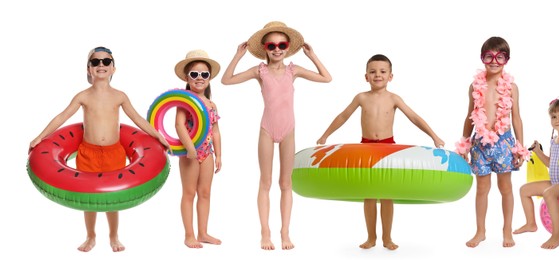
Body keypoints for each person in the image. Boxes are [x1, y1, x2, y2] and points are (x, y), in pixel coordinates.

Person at [29, 46, 169, 252]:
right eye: (95, 62)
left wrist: (159, 136)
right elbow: (62, 116)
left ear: (113, 69)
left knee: (112, 198)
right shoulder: (83, 96)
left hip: (114, 151)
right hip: (88, 152)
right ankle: (91, 236)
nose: (101, 65)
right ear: (89, 69)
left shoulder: (120, 96)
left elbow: (138, 118)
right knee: (89, 197)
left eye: (106, 62)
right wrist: (40, 136)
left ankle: (113, 236)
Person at [221, 21, 332, 250]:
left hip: (289, 130)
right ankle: (265, 232)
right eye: (271, 45)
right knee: (266, 181)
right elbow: (226, 80)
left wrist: (312, 56)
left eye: (282, 44)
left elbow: (327, 78)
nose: (277, 49)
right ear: (265, 49)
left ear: (288, 46)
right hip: (267, 129)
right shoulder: (258, 71)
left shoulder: (294, 70)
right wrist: (237, 55)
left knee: (285, 183)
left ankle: (285, 232)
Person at [316, 54, 445, 250]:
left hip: (388, 148)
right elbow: (343, 116)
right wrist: (325, 135)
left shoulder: (394, 98)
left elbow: (414, 117)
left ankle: (387, 237)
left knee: (386, 194)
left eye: (383, 72)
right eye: (373, 72)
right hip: (366, 147)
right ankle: (371, 237)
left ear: (390, 76)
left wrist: (434, 136)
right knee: (368, 194)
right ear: (366, 76)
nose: (378, 75)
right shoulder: (361, 97)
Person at [454, 36, 529, 248]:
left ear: (507, 59)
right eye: (489, 56)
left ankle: (507, 229)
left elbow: (516, 118)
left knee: (505, 188)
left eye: (500, 57)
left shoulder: (511, 87)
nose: (494, 61)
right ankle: (480, 231)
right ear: (482, 58)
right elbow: (470, 115)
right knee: (481, 189)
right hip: (480, 145)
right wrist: (465, 144)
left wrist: (520, 148)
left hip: (504, 144)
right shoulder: (475, 86)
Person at [513, 98, 559, 249]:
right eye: (554, 116)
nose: (557, 120)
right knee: (524, 190)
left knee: (549, 193)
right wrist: (538, 152)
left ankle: (557, 235)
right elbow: (551, 164)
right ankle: (531, 223)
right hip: (556, 181)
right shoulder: (554, 140)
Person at [173, 50, 223, 248]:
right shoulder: (185, 100)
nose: (199, 78)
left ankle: (203, 232)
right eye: (194, 74)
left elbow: (216, 131)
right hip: (189, 153)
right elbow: (178, 125)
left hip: (207, 153)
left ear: (209, 78)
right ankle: (189, 235)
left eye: (204, 74)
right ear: (187, 77)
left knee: (205, 193)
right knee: (189, 193)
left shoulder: (211, 104)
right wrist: (189, 148)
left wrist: (219, 154)